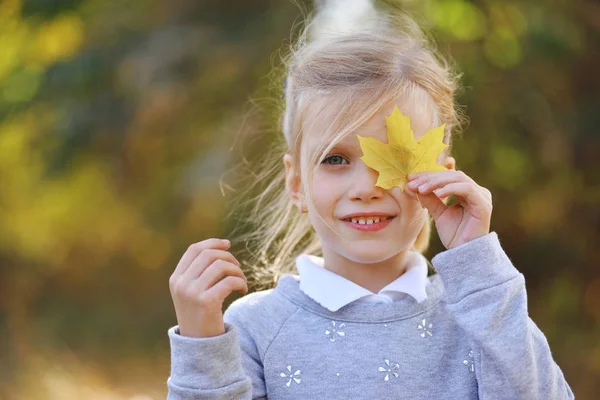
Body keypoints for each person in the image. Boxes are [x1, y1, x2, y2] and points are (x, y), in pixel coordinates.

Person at [166, 0, 575, 398]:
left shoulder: (480, 311)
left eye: (396, 159)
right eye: (336, 158)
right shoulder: (254, 326)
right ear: (296, 183)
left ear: (443, 176)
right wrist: (202, 346)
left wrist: (478, 266)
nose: (367, 187)